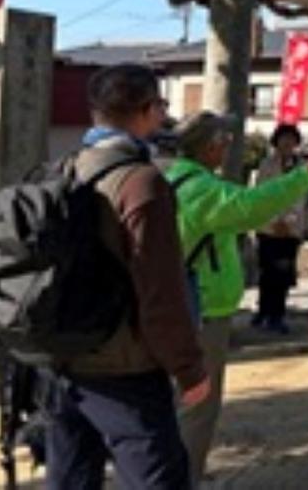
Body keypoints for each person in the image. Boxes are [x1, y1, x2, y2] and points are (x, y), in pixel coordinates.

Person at [44, 64, 209, 489]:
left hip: (63, 359)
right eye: (161, 105)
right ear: (146, 109)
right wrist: (189, 369)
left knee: (72, 479)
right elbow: (161, 292)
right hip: (125, 369)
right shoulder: (141, 181)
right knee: (159, 480)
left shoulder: (62, 169)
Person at [169, 111, 308, 483]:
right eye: (224, 141)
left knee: (183, 403)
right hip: (202, 310)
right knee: (197, 406)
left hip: (186, 305)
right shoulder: (201, 189)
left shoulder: (175, 178)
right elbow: (253, 205)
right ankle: (183, 476)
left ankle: (180, 470)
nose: (228, 147)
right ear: (209, 145)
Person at [253, 123, 306, 334]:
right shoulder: (266, 165)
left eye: (291, 140)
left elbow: (301, 196)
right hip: (268, 228)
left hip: (290, 231)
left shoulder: (301, 167)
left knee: (283, 273)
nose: (287, 143)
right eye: (283, 139)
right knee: (267, 271)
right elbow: (260, 194)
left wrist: (290, 221)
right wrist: (274, 220)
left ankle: (277, 314)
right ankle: (263, 310)